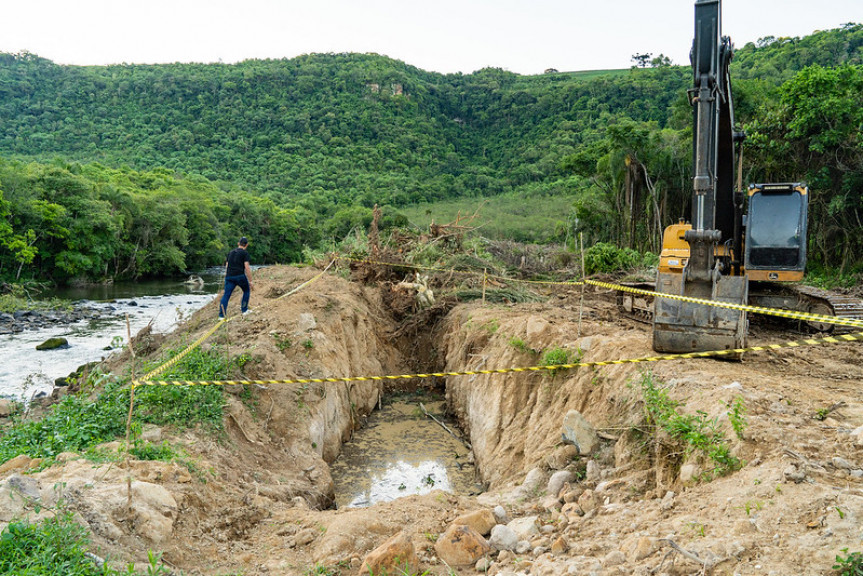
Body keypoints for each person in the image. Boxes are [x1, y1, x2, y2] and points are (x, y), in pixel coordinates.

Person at [219, 237, 253, 319]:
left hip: (229, 276)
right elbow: (247, 267)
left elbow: (227, 266)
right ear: (246, 245)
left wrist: (226, 276)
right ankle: (244, 310)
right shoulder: (245, 253)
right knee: (246, 291)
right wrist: (251, 281)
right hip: (240, 276)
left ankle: (221, 316)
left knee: (226, 295)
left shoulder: (230, 252)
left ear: (238, 243)